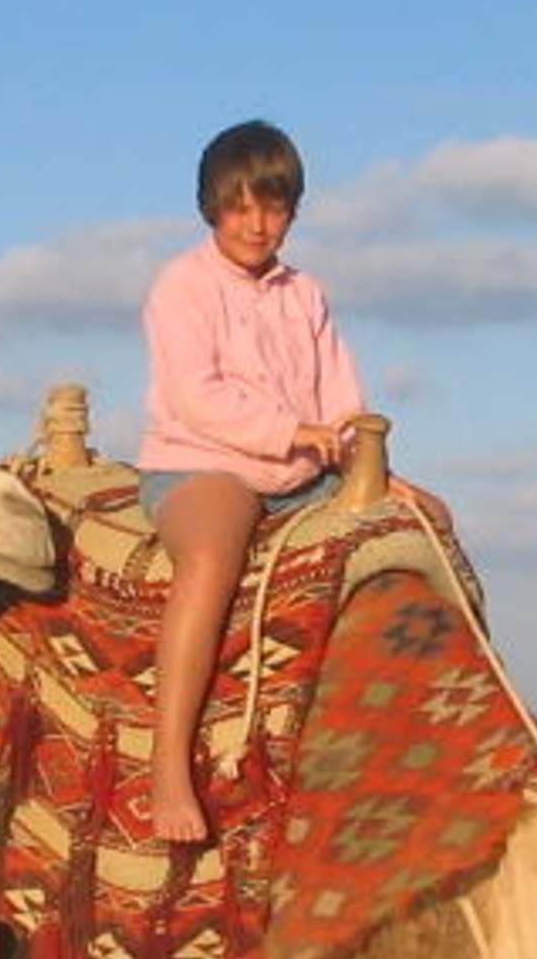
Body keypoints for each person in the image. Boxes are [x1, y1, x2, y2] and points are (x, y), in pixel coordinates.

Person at [136, 120, 369, 843]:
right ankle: (167, 766)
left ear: (292, 212)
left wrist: (362, 457)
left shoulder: (306, 294)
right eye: (239, 207)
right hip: (200, 459)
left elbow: (342, 399)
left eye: (272, 207)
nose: (256, 224)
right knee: (212, 554)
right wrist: (291, 431)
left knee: (420, 531)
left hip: (305, 475)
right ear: (212, 207)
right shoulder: (183, 285)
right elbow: (195, 397)